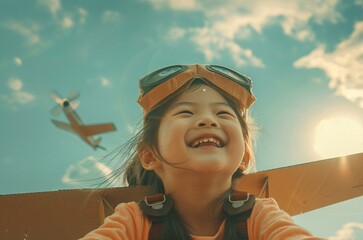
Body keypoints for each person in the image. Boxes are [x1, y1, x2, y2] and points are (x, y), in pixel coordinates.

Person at [80, 64, 324, 240]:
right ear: (149, 156)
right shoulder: (134, 220)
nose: (208, 120)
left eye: (223, 114)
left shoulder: (259, 214)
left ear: (245, 156)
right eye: (186, 112)